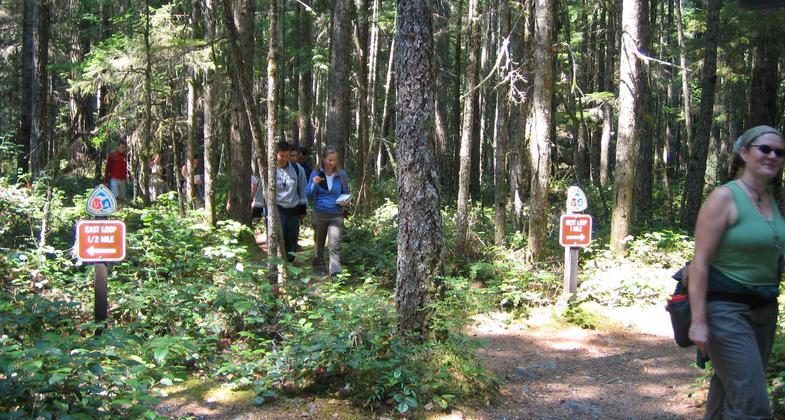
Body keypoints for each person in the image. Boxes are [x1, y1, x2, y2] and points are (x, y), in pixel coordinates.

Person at [689, 125, 785, 419]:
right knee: (752, 403)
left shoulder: (770, 200)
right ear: (744, 153)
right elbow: (700, 262)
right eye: (765, 149)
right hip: (726, 310)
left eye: (779, 152)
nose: (772, 156)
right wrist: (699, 321)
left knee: (729, 390)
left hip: (764, 309)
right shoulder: (724, 198)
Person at [306, 147, 350, 275]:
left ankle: (335, 272)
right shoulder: (316, 174)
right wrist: (314, 184)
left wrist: (346, 201)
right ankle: (319, 267)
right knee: (319, 244)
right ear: (324, 159)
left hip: (336, 214)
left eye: (335, 160)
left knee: (334, 244)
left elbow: (346, 193)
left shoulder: (341, 174)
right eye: (330, 160)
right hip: (320, 214)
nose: (332, 163)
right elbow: (309, 196)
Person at [270, 141, 307, 262]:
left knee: (292, 237)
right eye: (282, 156)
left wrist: (303, 208)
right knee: (279, 237)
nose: (284, 159)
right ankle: (278, 263)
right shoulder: (270, 170)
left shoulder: (297, 169)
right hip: (278, 209)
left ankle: (290, 263)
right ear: (276, 155)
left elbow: (302, 189)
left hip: (294, 209)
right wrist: (258, 209)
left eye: (287, 156)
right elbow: (262, 189)